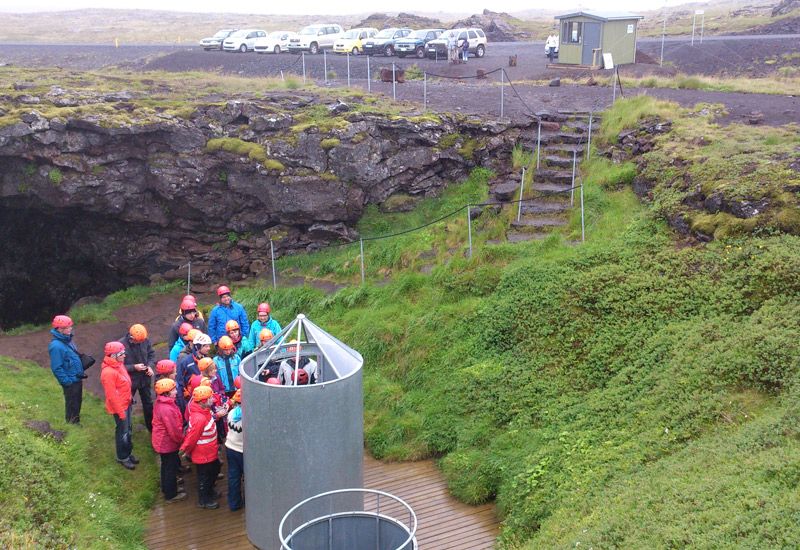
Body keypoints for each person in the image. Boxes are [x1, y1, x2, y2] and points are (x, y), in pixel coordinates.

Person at [180, 385, 221, 510]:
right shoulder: (199, 418)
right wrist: (185, 449)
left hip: (209, 451)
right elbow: (192, 437)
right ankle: (204, 500)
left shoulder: (205, 411)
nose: (213, 399)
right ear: (203, 401)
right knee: (204, 477)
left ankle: (209, 491)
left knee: (214, 470)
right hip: (203, 454)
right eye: (210, 398)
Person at [100, 341, 137, 470]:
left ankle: (128, 452)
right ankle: (122, 457)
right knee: (123, 432)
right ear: (113, 356)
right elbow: (112, 396)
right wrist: (121, 413)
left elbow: (125, 384)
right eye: (121, 354)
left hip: (126, 404)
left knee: (128, 430)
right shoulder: (108, 373)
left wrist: (130, 398)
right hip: (120, 408)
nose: (124, 355)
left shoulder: (119, 365)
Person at [152, 378, 186, 503]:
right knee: (170, 468)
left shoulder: (162, 403)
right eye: (173, 390)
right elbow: (173, 430)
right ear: (166, 393)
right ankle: (171, 495)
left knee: (166, 466)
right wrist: (181, 441)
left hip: (162, 441)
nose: (176, 392)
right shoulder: (167, 409)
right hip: (166, 443)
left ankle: (167, 489)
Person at [48, 315, 86, 424]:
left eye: (70, 327)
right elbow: (56, 368)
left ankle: (75, 423)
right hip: (70, 381)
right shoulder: (56, 346)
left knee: (77, 403)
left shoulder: (68, 340)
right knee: (72, 405)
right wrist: (67, 382)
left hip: (76, 378)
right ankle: (72, 425)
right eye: (67, 327)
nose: (70, 329)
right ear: (60, 329)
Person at [120, 324, 156, 432]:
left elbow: (151, 355)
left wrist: (149, 366)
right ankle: (126, 429)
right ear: (131, 337)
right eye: (138, 341)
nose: (140, 343)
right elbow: (118, 366)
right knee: (126, 405)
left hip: (144, 378)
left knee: (148, 403)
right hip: (130, 380)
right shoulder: (121, 345)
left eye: (142, 341)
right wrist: (133, 367)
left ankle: (151, 428)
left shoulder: (145, 340)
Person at [176, 333, 211, 414]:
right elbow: (180, 381)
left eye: (209, 346)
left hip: (207, 396)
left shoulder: (208, 360)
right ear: (198, 346)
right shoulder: (185, 361)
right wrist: (185, 397)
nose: (209, 348)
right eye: (206, 346)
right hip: (191, 398)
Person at [225, 389, 244, 511]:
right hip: (243, 451)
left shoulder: (231, 413)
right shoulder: (250, 416)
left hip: (230, 447)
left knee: (233, 477)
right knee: (249, 478)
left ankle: (234, 503)